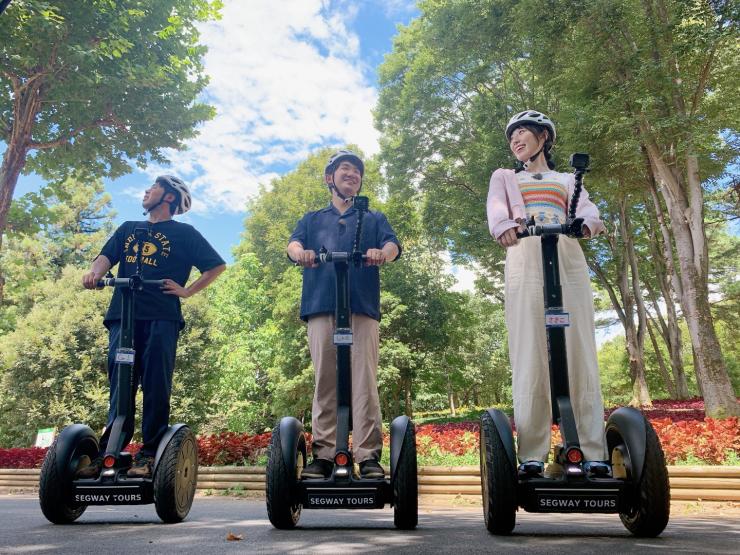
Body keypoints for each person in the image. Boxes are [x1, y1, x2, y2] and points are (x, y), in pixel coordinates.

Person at [486, 110, 610, 477]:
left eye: (523, 132)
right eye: (512, 136)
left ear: (544, 138)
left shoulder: (568, 178)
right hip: (525, 257)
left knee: (580, 350)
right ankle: (533, 453)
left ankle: (592, 449)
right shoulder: (505, 177)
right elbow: (496, 211)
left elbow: (588, 210)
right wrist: (504, 228)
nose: (516, 139)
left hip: (566, 257)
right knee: (529, 352)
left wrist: (588, 223)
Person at [77, 175, 226, 478]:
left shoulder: (185, 233)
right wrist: (94, 273)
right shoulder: (129, 228)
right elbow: (106, 256)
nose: (147, 191)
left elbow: (216, 265)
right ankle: (111, 451)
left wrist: (187, 291)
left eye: (154, 187)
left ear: (169, 197)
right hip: (123, 315)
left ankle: (149, 454)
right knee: (121, 383)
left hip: (162, 316)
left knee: (157, 384)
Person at [287, 150, 401, 480]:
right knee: (325, 380)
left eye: (357, 172)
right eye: (345, 169)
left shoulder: (372, 218)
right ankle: (323, 454)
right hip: (321, 305)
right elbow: (293, 245)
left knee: (364, 381)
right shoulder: (312, 219)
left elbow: (393, 245)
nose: (353, 175)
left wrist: (383, 254)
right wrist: (301, 254)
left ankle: (367, 457)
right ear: (330, 178)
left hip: (362, 306)